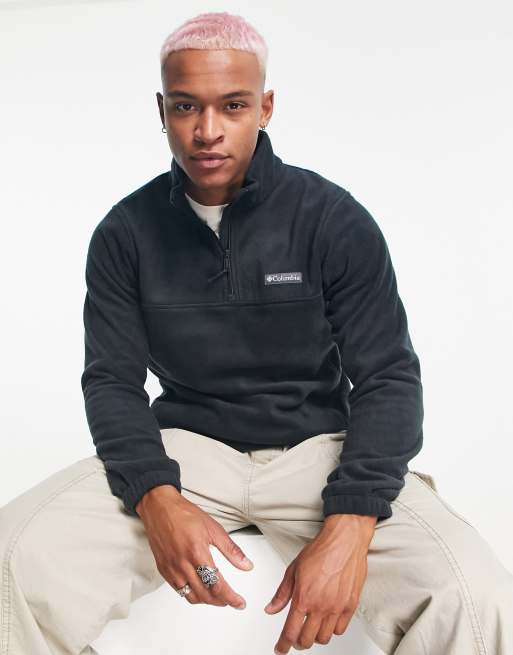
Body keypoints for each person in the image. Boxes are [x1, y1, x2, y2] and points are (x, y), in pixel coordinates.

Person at [1, 10, 512, 655]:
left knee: (474, 595)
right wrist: (157, 498)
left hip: (318, 451)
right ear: (162, 110)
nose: (207, 130)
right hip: (186, 451)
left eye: (233, 105)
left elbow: (388, 378)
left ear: (265, 108)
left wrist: (351, 523)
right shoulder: (125, 234)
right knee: (11, 560)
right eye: (186, 106)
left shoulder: (332, 220)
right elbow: (112, 383)